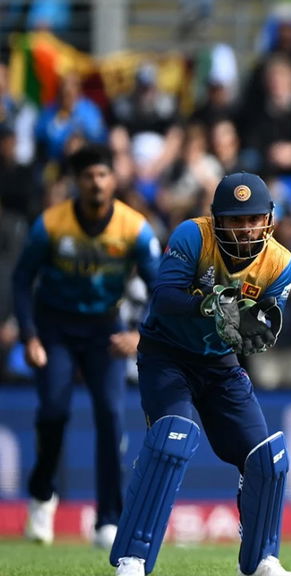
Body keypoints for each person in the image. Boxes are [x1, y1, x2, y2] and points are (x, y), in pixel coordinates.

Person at [109, 172, 291, 576]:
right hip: (168, 354)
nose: (245, 229)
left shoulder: (279, 262)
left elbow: (265, 322)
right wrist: (211, 304)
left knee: (267, 458)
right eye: (235, 219)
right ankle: (133, 558)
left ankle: (264, 559)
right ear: (217, 220)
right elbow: (164, 297)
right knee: (171, 439)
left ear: (268, 219)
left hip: (220, 364)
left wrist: (255, 333)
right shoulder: (193, 236)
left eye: (253, 219)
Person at [12, 144, 160, 549]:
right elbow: (21, 281)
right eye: (88, 176)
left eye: (102, 175)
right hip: (55, 328)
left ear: (114, 179)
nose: (96, 183)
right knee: (54, 412)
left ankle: (108, 520)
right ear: (77, 182)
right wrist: (30, 335)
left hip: (105, 331)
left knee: (111, 416)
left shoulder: (133, 227)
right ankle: (43, 497)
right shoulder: (52, 225)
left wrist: (140, 334)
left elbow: (161, 289)